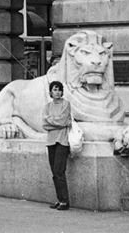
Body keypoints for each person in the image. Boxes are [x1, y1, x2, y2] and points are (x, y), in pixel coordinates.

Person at [42, 79, 72, 210]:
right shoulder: (47, 106)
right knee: (54, 172)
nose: (57, 92)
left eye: (59, 89)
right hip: (51, 141)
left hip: (62, 141)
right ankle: (60, 199)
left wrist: (51, 121)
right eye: (55, 89)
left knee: (60, 171)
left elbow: (63, 120)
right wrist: (58, 122)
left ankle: (65, 201)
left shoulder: (66, 104)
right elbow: (44, 124)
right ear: (50, 92)